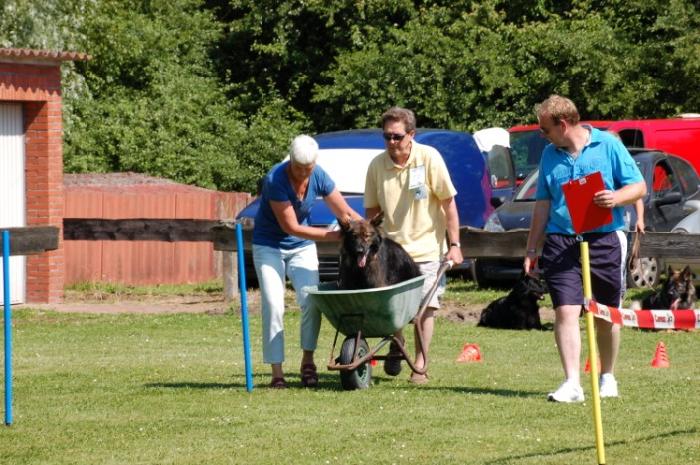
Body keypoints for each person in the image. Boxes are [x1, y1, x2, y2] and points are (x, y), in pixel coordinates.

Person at [523, 95, 646, 402]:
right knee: (565, 311)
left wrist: (615, 198)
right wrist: (531, 249)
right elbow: (542, 204)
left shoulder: (608, 145)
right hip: (561, 241)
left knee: (606, 316)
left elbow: (639, 186)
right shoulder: (549, 155)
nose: (542, 135)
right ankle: (572, 383)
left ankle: (608, 375)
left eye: (545, 129)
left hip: (604, 240)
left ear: (563, 124)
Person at [253, 134, 362, 389]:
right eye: (299, 167)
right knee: (273, 304)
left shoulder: (319, 175)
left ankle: (308, 361)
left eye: (308, 168)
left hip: (301, 247)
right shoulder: (275, 180)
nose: (303, 172)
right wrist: (332, 236)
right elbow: (291, 227)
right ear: (290, 160)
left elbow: (344, 211)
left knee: (312, 300)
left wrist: (366, 229)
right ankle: (277, 372)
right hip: (269, 245)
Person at [364, 106, 464, 384]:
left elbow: (448, 203)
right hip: (391, 250)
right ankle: (398, 343)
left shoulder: (429, 158)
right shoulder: (376, 165)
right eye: (386, 136)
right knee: (393, 308)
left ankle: (420, 364)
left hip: (427, 248)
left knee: (425, 308)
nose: (391, 142)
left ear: (411, 134)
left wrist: (455, 244)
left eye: (397, 136)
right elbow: (371, 212)